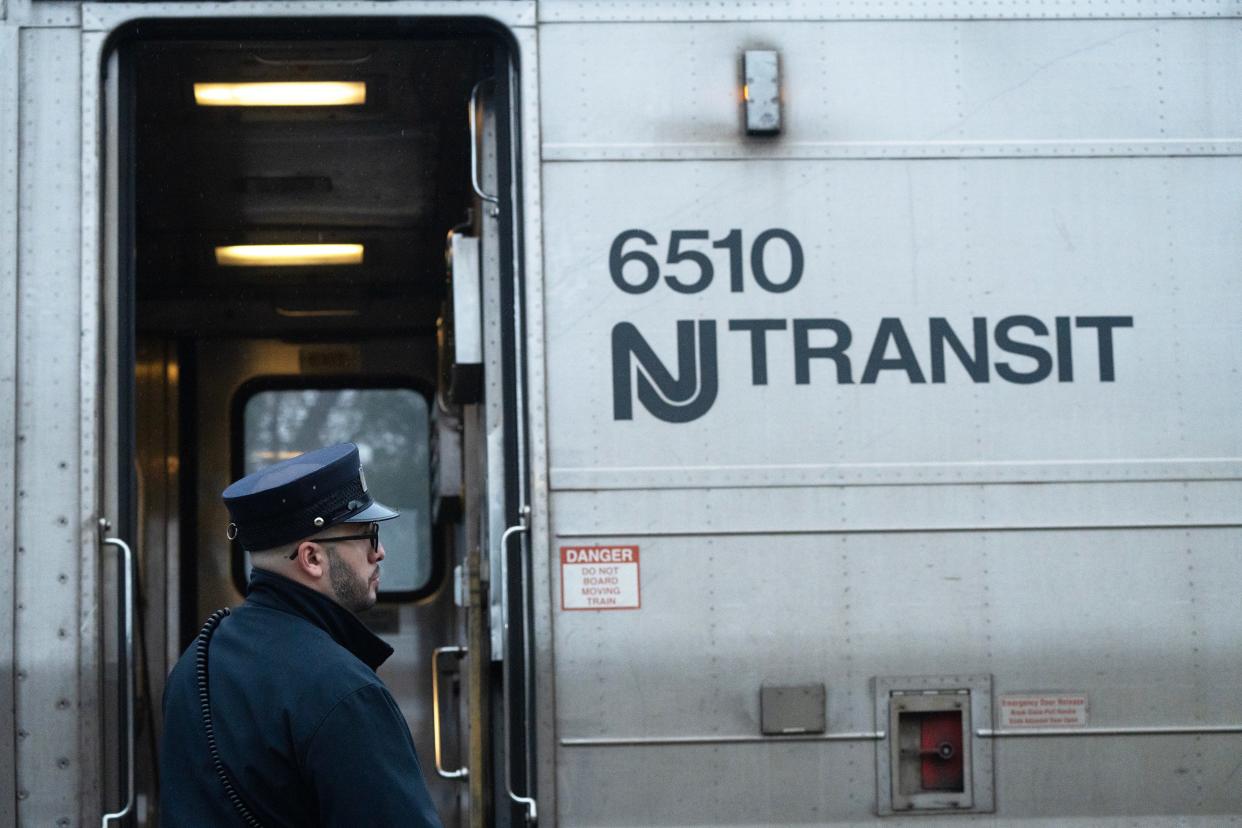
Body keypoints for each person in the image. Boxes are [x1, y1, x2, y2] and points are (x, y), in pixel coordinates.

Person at [159, 442, 443, 827]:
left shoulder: (195, 663)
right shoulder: (343, 690)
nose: (380, 553)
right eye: (367, 535)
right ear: (312, 558)